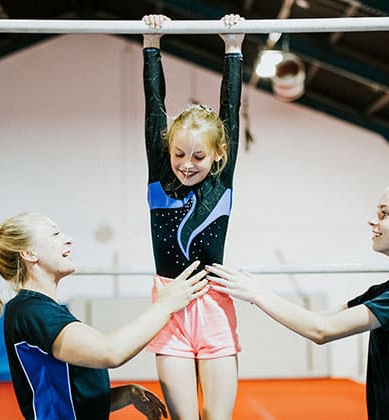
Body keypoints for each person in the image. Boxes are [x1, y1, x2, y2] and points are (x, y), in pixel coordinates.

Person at [207, 178, 389, 420]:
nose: (373, 220)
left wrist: (258, 293)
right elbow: (321, 319)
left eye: (384, 213)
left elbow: (321, 331)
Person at [0, 212, 208, 420]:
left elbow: (64, 396)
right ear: (28, 254)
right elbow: (110, 352)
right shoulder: (31, 311)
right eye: (55, 234)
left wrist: (124, 394)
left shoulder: (42, 309)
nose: (68, 240)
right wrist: (166, 305)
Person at [141, 13, 244, 420]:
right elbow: (154, 106)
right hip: (168, 304)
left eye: (198, 156)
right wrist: (152, 44)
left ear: (218, 154)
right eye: (179, 154)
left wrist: (233, 48)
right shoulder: (160, 177)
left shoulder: (221, 180)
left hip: (214, 304)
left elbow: (230, 110)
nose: (186, 165)